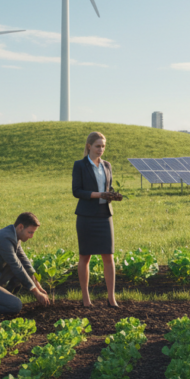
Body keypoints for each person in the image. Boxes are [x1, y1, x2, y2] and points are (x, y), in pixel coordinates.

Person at [72, 131, 122, 308]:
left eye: (103, 146)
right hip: (86, 216)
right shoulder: (80, 165)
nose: (101, 149)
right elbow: (76, 191)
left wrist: (113, 195)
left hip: (104, 215)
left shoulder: (107, 165)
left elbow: (108, 186)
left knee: (108, 256)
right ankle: (86, 299)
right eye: (97, 146)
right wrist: (98, 194)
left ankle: (111, 298)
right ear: (89, 146)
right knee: (85, 256)